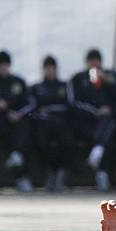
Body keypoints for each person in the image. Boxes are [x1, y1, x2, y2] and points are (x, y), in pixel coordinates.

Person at [68, 49, 116, 191]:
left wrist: (107, 81)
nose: (94, 63)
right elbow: (74, 102)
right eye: (91, 60)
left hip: (107, 123)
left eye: (96, 60)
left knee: (110, 127)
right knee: (106, 132)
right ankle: (98, 157)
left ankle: (101, 167)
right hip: (85, 122)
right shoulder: (78, 79)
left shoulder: (109, 76)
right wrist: (95, 111)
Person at [0, 50, 34, 193]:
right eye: (1, 65)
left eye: (6, 65)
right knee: (15, 136)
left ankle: (17, 162)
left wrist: (18, 113)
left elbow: (29, 103)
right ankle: (21, 175)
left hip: (14, 125)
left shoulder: (18, 82)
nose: (3, 68)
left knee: (22, 126)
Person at [30, 55, 75, 192]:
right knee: (42, 141)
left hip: (62, 125)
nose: (50, 71)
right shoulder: (37, 87)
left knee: (66, 141)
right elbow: (34, 108)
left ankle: (61, 172)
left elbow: (69, 106)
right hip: (43, 126)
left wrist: (50, 109)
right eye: (47, 68)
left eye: (52, 68)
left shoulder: (64, 86)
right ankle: (49, 173)